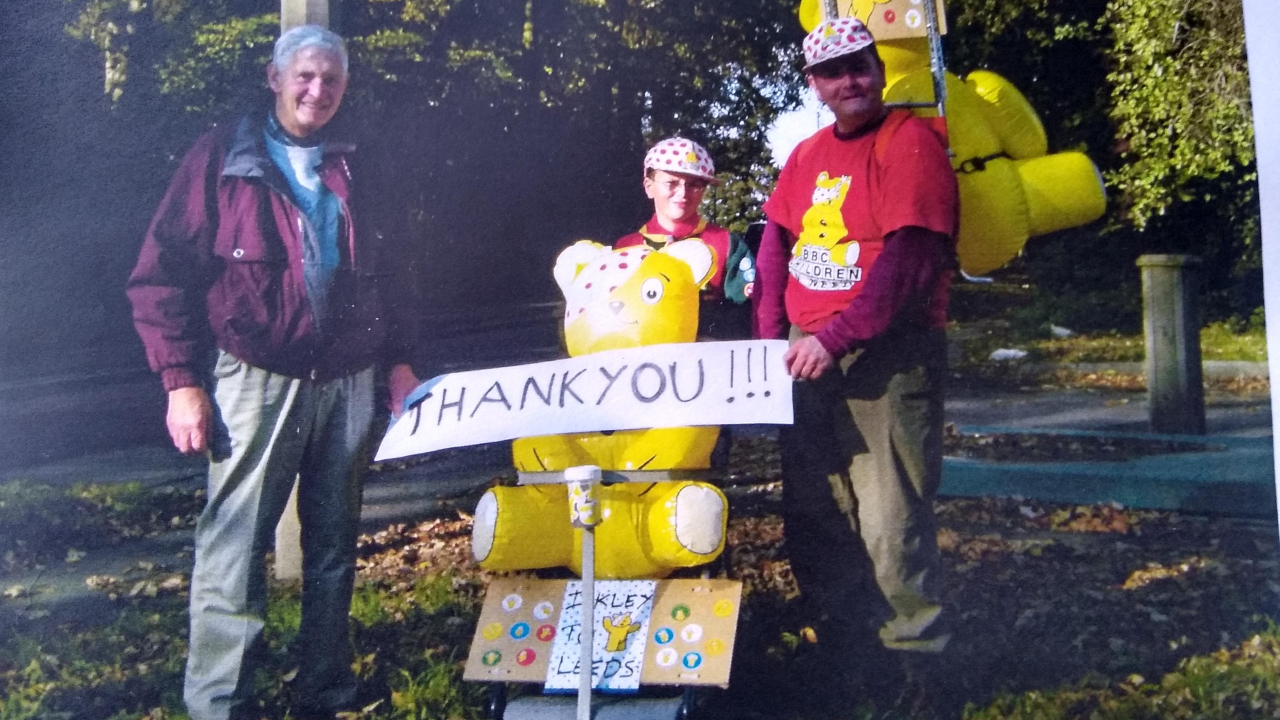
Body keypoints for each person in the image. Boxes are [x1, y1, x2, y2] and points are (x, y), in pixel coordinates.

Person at [126, 25, 420, 720]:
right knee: (234, 547)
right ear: (274, 77)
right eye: (305, 76)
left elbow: (402, 271)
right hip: (254, 378)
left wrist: (401, 359)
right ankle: (221, 702)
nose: (318, 91)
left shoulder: (362, 163)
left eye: (332, 80)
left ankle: (325, 691)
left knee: (333, 549)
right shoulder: (220, 157)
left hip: (347, 379)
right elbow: (159, 276)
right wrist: (181, 382)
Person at [754, 17, 959, 716]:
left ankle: (916, 669)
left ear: (878, 66)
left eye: (860, 65)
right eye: (833, 71)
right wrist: (767, 342)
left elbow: (909, 260)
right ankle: (843, 654)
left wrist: (834, 338)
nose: (851, 81)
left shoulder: (912, 143)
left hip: (885, 356)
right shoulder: (806, 154)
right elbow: (776, 246)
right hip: (806, 355)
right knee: (817, 515)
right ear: (813, 84)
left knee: (889, 519)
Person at [614, 137, 756, 340]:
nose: (682, 193)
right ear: (649, 186)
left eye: (694, 185)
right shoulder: (626, 247)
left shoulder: (726, 244)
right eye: (671, 183)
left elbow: (745, 315)